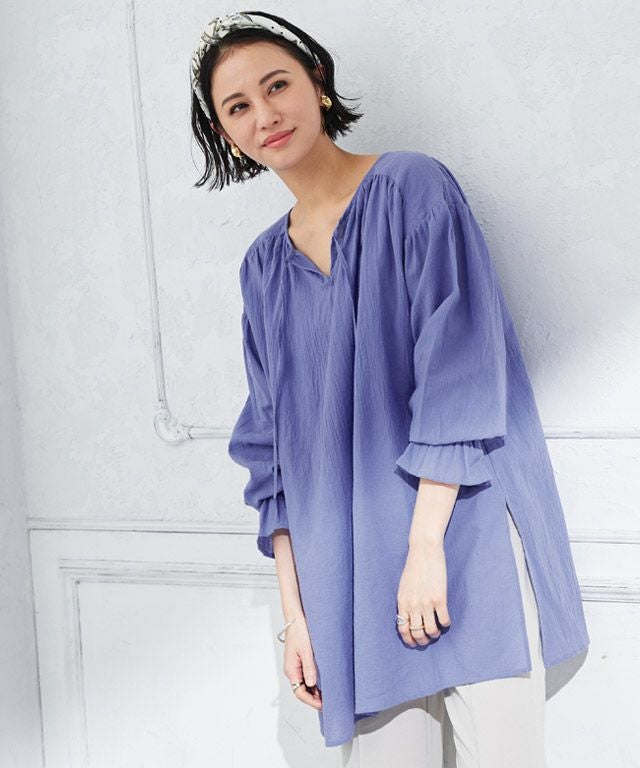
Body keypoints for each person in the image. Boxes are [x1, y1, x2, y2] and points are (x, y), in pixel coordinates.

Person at [189, 10, 591, 763]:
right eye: (237, 106)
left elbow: (459, 374)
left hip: (462, 527)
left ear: (317, 83)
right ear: (225, 134)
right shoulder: (263, 269)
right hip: (346, 566)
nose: (265, 114)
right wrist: (297, 617)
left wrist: (425, 548)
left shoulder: (413, 187)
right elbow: (273, 454)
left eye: (277, 86)